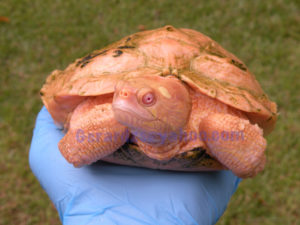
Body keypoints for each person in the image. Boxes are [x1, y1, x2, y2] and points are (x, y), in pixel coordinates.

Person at [29, 107, 241, 225]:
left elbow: (248, 149)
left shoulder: (210, 122)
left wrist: (246, 156)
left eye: (147, 100)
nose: (125, 100)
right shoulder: (115, 113)